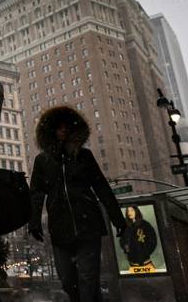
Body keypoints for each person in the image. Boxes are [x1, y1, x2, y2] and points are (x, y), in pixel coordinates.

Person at [28, 106, 126, 302]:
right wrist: (34, 221)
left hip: (88, 225)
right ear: (52, 131)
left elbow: (102, 187)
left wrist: (118, 219)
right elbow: (36, 193)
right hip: (59, 227)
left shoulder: (84, 156)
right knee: (67, 280)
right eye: (59, 127)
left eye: (67, 127)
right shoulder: (42, 161)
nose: (63, 130)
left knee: (88, 277)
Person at [119, 205, 158, 271]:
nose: (129, 213)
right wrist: (127, 249)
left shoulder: (145, 224)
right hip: (132, 262)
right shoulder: (125, 226)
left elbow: (153, 240)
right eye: (128, 211)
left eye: (132, 210)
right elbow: (122, 240)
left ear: (136, 211)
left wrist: (145, 252)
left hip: (146, 261)